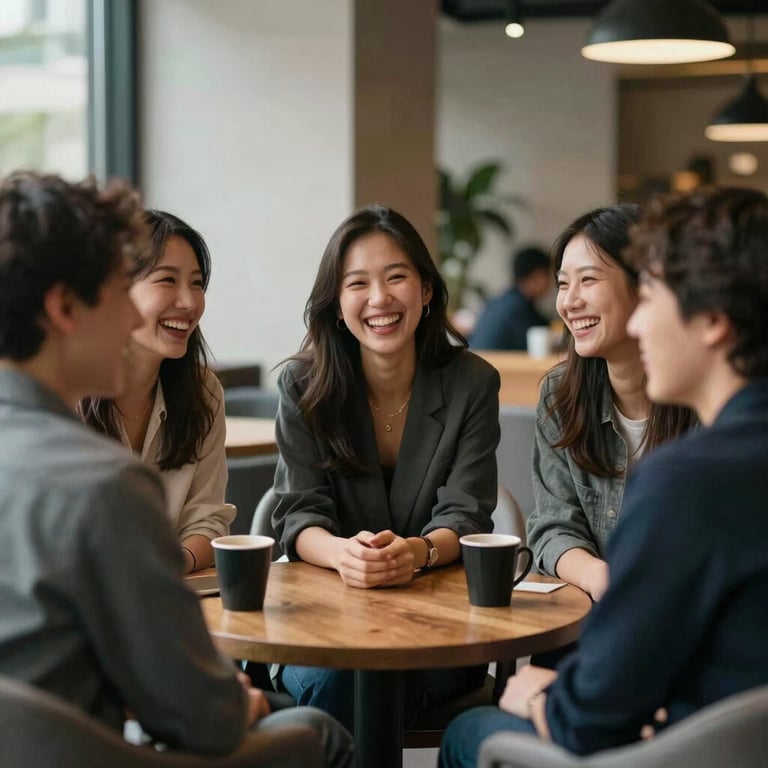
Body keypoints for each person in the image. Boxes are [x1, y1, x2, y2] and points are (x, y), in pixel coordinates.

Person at [0, 171, 355, 766]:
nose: (128, 320)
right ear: (63, 308)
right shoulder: (101, 484)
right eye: (118, 293)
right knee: (321, 734)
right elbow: (203, 720)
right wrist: (233, 703)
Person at [438, 185, 768, 767]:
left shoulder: (685, 481)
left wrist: (539, 697)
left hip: (684, 743)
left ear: (713, 321)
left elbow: (590, 719)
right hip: (718, 719)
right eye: (562, 282)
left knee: (470, 732)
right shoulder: (571, 398)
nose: (640, 322)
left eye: (652, 297)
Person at [271, 203, 500, 730]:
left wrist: (416, 553)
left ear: (426, 290)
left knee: (372, 683)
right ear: (336, 304)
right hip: (322, 624)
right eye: (358, 283)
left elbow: (466, 515)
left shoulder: (472, 383)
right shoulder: (302, 387)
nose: (379, 299)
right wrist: (344, 555)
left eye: (396, 276)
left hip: (433, 623)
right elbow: (298, 515)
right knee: (346, 679)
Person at [526, 205, 694, 603]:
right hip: (596, 608)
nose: (569, 302)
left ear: (646, 287)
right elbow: (552, 526)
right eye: (563, 284)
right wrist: (602, 577)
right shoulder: (560, 394)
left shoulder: (701, 394)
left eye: (588, 279)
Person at [80, 210, 233, 573]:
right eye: (167, 280)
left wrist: (171, 564)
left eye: (197, 283)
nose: (189, 302)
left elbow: (209, 520)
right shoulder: (65, 394)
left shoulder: (203, 392)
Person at [470, 245, 552, 351]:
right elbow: (536, 343)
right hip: (495, 361)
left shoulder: (501, 301)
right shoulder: (517, 308)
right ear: (536, 275)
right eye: (547, 275)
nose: (551, 282)